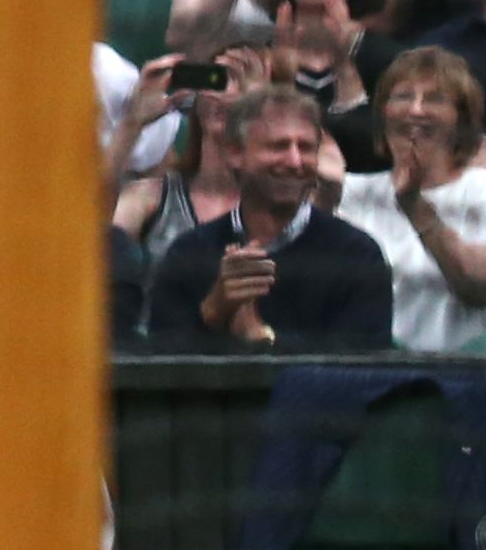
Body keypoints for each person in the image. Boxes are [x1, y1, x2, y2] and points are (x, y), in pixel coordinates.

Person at [143, 81, 394, 351]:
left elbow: (366, 369)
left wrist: (264, 338)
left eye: (306, 148)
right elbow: (162, 368)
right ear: (235, 153)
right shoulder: (189, 252)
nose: (295, 161)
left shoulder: (357, 254)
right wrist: (213, 312)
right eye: (278, 146)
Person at [329, 46, 486, 353]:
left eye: (434, 99)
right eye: (403, 97)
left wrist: (415, 207)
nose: (416, 110)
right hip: (375, 376)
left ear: (461, 121)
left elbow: (482, 287)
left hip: (467, 376)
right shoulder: (353, 192)